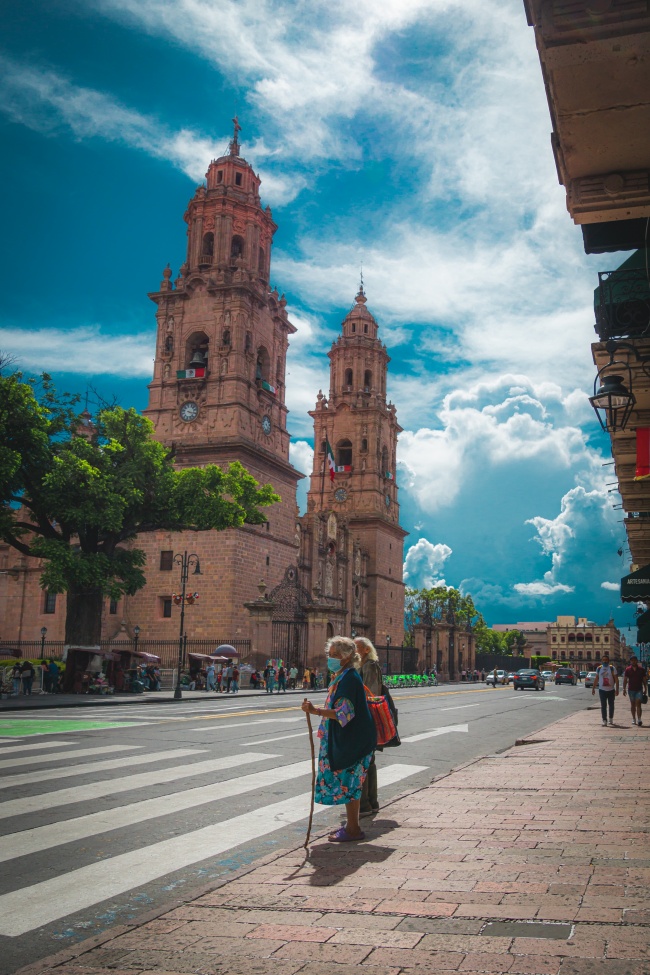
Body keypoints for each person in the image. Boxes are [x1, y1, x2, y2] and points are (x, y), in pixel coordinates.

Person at [302, 636, 376, 842]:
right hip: (349, 740)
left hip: (352, 742)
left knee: (350, 784)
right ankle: (352, 827)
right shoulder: (342, 677)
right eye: (330, 655)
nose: (331, 659)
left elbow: (345, 713)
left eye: (335, 655)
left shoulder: (349, 678)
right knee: (350, 784)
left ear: (347, 657)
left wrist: (315, 710)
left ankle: (353, 829)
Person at [355, 636, 382, 816]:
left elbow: (370, 694)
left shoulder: (369, 666)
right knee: (369, 761)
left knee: (362, 762)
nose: (353, 650)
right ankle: (371, 802)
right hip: (367, 719)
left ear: (366, 650)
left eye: (355, 647)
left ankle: (364, 804)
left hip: (366, 719)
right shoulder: (364, 666)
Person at [592, 652, 619, 726]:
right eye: (603, 660)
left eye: (606, 660)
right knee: (603, 705)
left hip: (611, 690)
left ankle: (611, 718)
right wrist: (593, 688)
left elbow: (616, 679)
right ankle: (604, 720)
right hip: (602, 690)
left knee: (611, 705)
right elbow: (596, 678)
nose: (605, 661)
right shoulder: (599, 668)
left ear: (608, 661)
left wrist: (617, 689)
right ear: (602, 660)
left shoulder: (612, 668)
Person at [623, 654, 648, 727]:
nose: (633, 661)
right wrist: (624, 689)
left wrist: (645, 688)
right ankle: (634, 718)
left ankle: (639, 719)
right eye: (632, 660)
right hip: (631, 690)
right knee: (633, 705)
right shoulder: (628, 669)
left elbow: (644, 680)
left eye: (635, 660)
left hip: (639, 689)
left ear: (637, 661)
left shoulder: (641, 670)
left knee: (638, 704)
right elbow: (625, 679)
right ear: (630, 661)